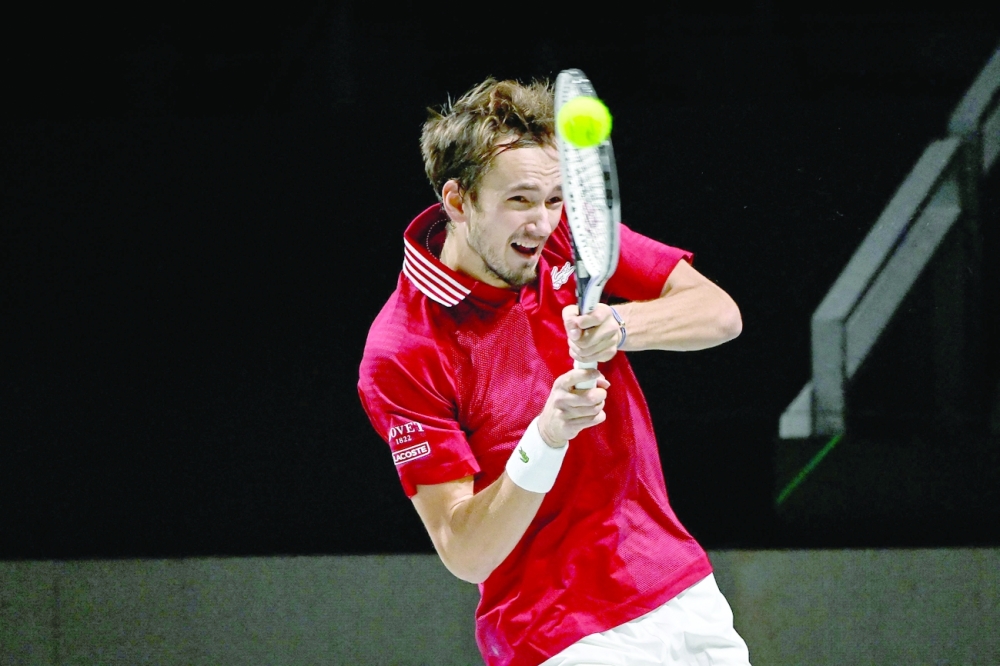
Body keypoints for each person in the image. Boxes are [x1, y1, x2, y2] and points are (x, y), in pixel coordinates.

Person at [358, 77, 749, 666]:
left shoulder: (568, 236)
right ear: (458, 201)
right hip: (557, 633)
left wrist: (621, 327)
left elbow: (721, 315)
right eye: (519, 201)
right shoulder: (404, 349)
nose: (541, 223)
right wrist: (545, 439)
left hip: (679, 590)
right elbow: (465, 552)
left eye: (555, 197)